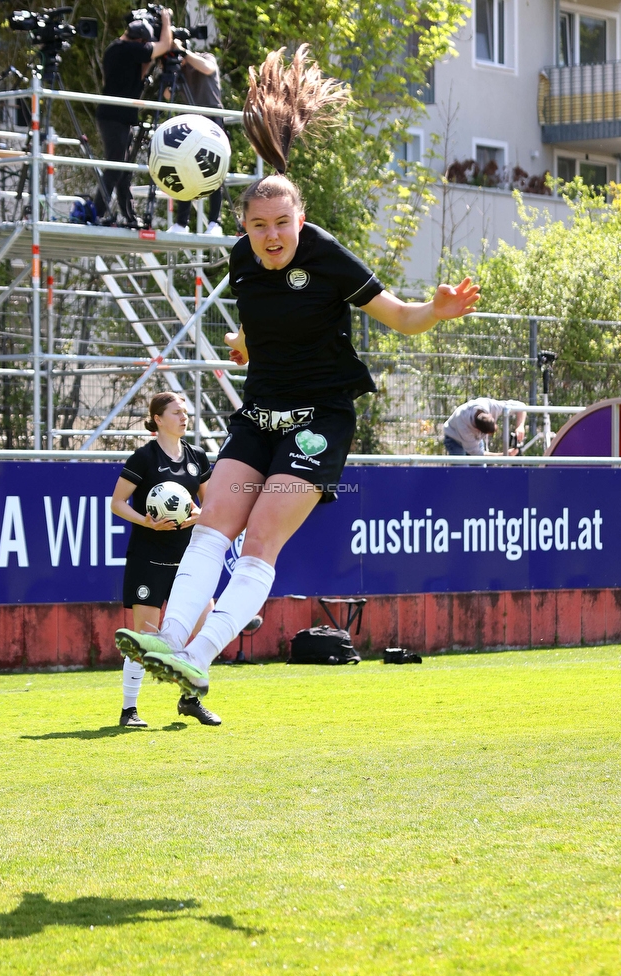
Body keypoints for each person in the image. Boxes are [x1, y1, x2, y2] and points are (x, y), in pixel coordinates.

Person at [114, 45, 480, 696]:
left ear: (300, 220)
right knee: (212, 523)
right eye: (259, 226)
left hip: (319, 423)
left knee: (258, 539)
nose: (272, 236)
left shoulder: (328, 256)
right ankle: (169, 644)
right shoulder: (242, 262)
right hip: (259, 414)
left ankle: (197, 655)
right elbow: (268, 319)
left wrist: (438, 309)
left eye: (282, 223)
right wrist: (246, 345)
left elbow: (398, 317)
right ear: (245, 228)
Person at [110, 391, 221, 727]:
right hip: (149, 558)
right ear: (158, 419)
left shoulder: (197, 457)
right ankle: (130, 710)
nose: (184, 417)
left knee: (206, 625)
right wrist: (145, 520)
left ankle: (190, 700)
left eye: (185, 412)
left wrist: (196, 515)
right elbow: (117, 503)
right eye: (176, 412)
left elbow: (213, 505)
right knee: (145, 635)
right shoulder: (143, 458)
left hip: (188, 559)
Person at [94, 9, 173, 228]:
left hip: (119, 116)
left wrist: (150, 52)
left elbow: (140, 73)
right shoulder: (127, 49)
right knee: (115, 168)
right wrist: (166, 20)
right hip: (114, 116)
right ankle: (96, 212)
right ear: (139, 40)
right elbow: (165, 46)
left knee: (123, 169)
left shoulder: (118, 49)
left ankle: (128, 214)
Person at [167, 46, 226, 237]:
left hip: (212, 115)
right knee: (184, 168)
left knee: (213, 167)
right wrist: (169, 71)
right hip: (189, 120)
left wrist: (183, 53)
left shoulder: (203, 56)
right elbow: (168, 95)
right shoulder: (178, 69)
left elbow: (208, 68)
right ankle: (181, 223)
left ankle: (214, 222)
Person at [443, 397, 526, 456]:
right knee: (462, 472)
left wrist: (520, 426)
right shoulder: (464, 427)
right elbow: (478, 454)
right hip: (454, 438)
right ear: (478, 430)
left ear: (490, 415)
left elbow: (521, 406)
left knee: (482, 469)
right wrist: (504, 455)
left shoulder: (491, 406)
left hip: (473, 440)